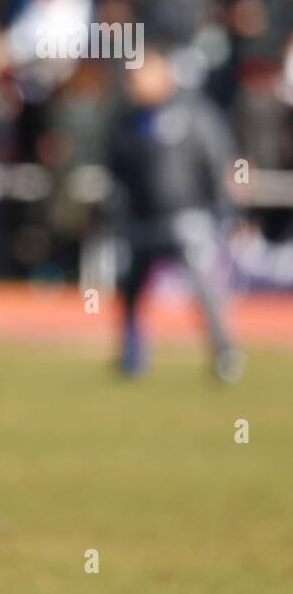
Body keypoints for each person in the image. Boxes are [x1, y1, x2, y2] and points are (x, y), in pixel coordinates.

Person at [107, 46, 243, 382]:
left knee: (202, 289)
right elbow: (116, 167)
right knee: (129, 291)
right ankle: (132, 354)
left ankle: (223, 351)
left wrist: (227, 209)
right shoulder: (127, 119)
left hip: (187, 219)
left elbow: (218, 160)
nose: (134, 82)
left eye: (141, 74)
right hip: (140, 221)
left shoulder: (193, 112)